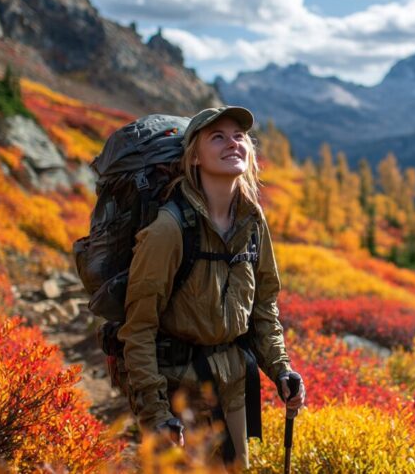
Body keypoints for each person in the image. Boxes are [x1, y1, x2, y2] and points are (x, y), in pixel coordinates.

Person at [117, 105, 305, 469]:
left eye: (239, 136)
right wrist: (157, 415)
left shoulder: (252, 221)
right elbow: (139, 329)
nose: (232, 143)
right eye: (217, 137)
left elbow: (264, 307)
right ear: (195, 157)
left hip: (232, 386)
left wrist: (282, 370)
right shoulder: (168, 230)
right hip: (177, 394)